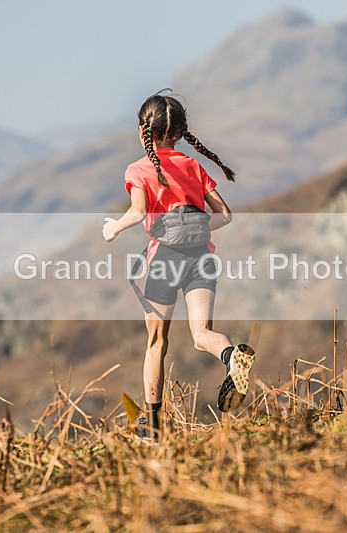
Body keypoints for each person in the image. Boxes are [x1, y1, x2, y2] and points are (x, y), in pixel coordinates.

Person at [102, 91, 255, 442]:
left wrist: (114, 227)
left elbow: (139, 212)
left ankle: (151, 428)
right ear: (180, 133)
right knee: (202, 336)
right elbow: (225, 216)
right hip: (202, 257)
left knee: (156, 342)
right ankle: (231, 355)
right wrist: (198, 228)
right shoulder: (193, 166)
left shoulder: (138, 169)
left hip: (164, 260)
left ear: (144, 130)